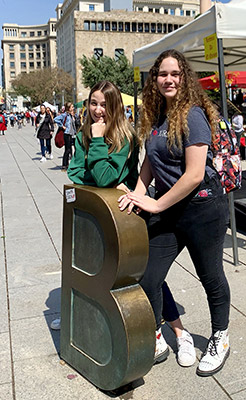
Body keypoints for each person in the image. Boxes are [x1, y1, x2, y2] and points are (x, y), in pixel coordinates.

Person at [59, 80, 198, 367]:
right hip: (99, 212)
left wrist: (98, 145)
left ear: (116, 108)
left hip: (127, 215)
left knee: (147, 275)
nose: (98, 111)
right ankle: (84, 316)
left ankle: (178, 332)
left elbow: (104, 177)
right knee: (99, 270)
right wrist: (99, 166)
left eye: (105, 105)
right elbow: (75, 171)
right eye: (93, 103)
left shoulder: (124, 136)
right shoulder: (87, 131)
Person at [119, 49, 232, 377]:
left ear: (184, 79)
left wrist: (154, 204)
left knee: (210, 276)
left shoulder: (193, 114)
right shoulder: (156, 116)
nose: (168, 79)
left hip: (203, 209)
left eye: (175, 74)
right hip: (170, 211)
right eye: (162, 74)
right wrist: (138, 195)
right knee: (149, 275)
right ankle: (158, 335)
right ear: (154, 80)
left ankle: (220, 337)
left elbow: (195, 174)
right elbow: (150, 163)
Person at [54, 102, 77, 170]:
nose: (73, 108)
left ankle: (67, 164)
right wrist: (62, 126)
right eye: (72, 107)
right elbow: (55, 119)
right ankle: (64, 165)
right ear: (69, 108)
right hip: (66, 133)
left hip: (71, 134)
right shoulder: (65, 115)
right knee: (67, 150)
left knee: (69, 149)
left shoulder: (70, 115)